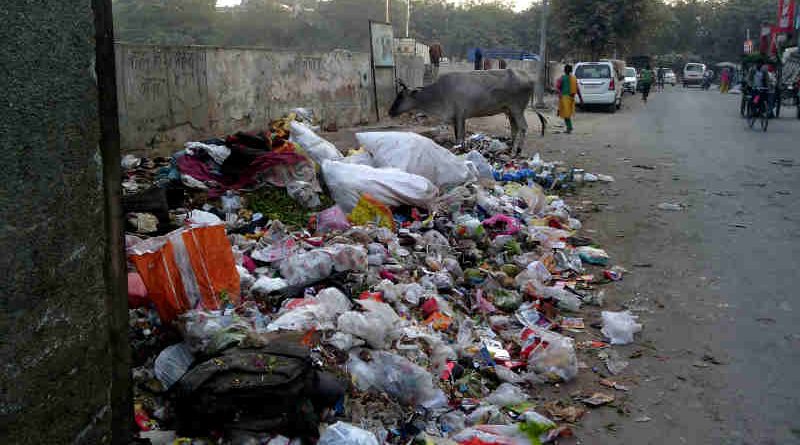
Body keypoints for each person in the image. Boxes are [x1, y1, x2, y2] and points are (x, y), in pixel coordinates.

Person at [556, 64, 583, 134]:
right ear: (571, 70)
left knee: (566, 114)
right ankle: (569, 127)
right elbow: (577, 89)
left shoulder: (561, 78)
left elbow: (557, 87)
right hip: (571, 98)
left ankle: (569, 128)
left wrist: (560, 94)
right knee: (567, 114)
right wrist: (581, 98)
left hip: (565, 98)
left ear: (564, 70)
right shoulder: (574, 78)